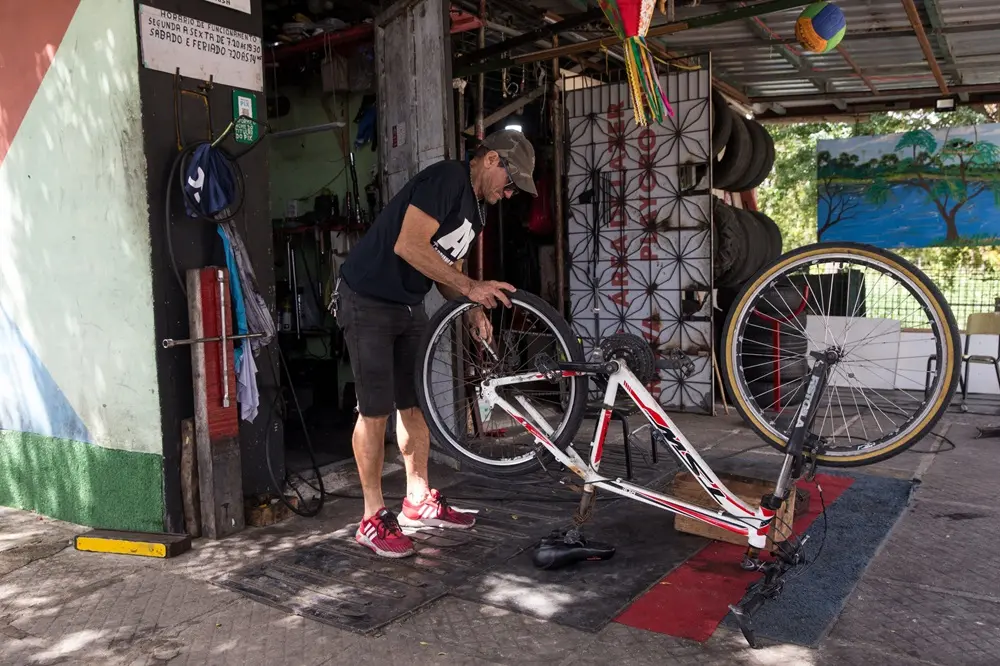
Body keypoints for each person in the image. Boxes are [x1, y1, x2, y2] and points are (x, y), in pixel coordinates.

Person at [333, 130, 538, 558]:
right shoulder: (448, 179)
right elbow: (408, 245)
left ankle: (418, 498)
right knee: (375, 410)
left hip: (407, 303)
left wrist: (472, 303)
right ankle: (371, 518)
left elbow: (448, 272)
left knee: (415, 403)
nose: (511, 191)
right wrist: (472, 285)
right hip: (367, 298)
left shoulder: (478, 211)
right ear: (490, 160)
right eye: (510, 179)